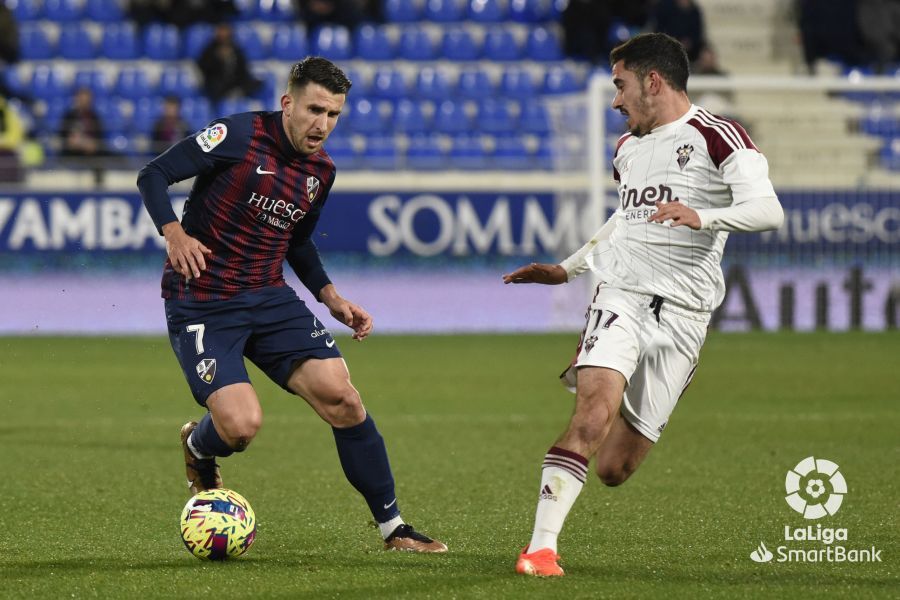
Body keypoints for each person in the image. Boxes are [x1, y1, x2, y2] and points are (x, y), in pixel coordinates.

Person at [136, 57, 447, 554]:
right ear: (288, 104)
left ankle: (394, 529)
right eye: (314, 110)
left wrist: (331, 296)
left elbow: (297, 242)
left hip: (268, 296)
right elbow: (154, 174)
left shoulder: (321, 171)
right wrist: (173, 233)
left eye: (333, 114)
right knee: (241, 427)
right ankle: (198, 445)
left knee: (343, 398)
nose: (322, 124)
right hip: (203, 300)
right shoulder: (237, 136)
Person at [503, 33, 784, 577]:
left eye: (620, 85)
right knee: (591, 415)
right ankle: (540, 549)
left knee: (614, 468)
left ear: (653, 81)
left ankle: (625, 406)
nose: (615, 100)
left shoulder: (717, 136)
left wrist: (703, 216)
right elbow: (625, 219)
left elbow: (767, 210)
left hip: (685, 316)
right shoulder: (627, 149)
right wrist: (568, 267)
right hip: (622, 296)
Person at [196, 22, 263, 103]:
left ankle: (236, 93)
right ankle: (228, 96)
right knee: (214, 86)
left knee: (256, 82)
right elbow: (203, 67)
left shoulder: (235, 48)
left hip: (235, 81)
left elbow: (243, 68)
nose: (223, 34)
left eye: (225, 30)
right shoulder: (210, 49)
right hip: (218, 82)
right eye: (221, 30)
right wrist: (218, 58)